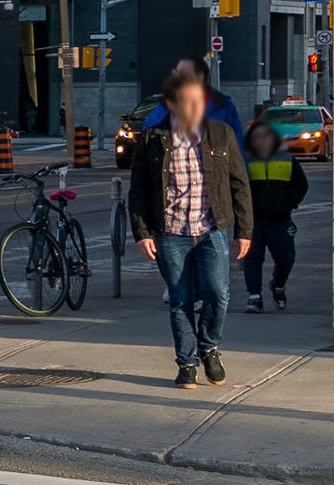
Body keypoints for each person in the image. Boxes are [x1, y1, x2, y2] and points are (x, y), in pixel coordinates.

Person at [129, 66, 253, 389]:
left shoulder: (221, 134)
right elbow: (138, 191)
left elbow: (240, 183)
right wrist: (142, 233)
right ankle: (186, 363)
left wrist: (244, 231)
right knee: (180, 298)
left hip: (212, 228)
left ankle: (209, 346)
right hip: (171, 232)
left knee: (218, 293)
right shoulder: (151, 140)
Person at [239, 121, 309, 314]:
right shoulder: (246, 160)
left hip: (280, 220)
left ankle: (278, 285)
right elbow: (236, 187)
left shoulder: (287, 159)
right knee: (252, 258)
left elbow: (301, 185)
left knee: (286, 258)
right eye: (257, 137)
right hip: (254, 221)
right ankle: (254, 296)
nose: (261, 140)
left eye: (266, 136)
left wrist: (289, 203)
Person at [143, 54, 246, 149]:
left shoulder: (223, 106)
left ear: (200, 77)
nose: (177, 77)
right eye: (177, 72)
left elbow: (237, 147)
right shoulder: (165, 106)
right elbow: (149, 134)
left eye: (183, 73)